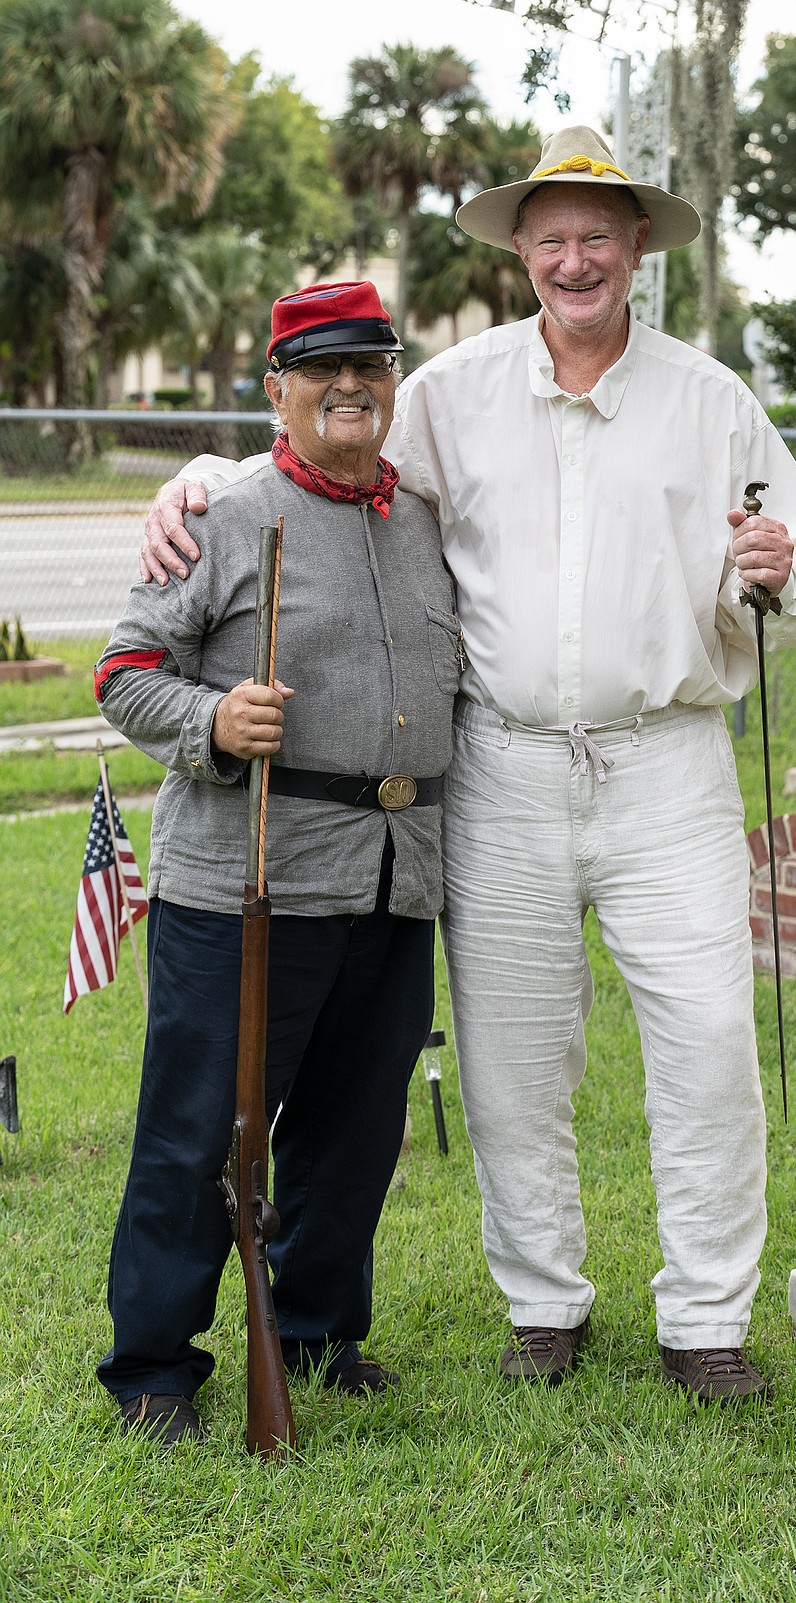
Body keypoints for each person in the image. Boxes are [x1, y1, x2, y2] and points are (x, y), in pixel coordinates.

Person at [140, 127, 796, 1406]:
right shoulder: (452, 392)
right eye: (550, 237)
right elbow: (330, 449)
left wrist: (782, 568)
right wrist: (202, 476)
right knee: (513, 1058)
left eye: (597, 236)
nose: (575, 260)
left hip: (667, 766)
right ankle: (543, 1305)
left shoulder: (710, 398)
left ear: (636, 248)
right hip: (501, 766)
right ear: (520, 249)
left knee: (706, 1039)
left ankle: (704, 1320)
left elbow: (792, 553)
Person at [97, 280, 461, 1444]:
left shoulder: (425, 521)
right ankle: (154, 1365)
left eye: (371, 365)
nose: (349, 386)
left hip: (395, 875)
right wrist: (210, 720)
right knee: (203, 1128)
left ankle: (313, 1328)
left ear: (392, 381)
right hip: (245, 881)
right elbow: (124, 671)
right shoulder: (223, 514)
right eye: (320, 370)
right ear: (277, 389)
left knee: (353, 1127)